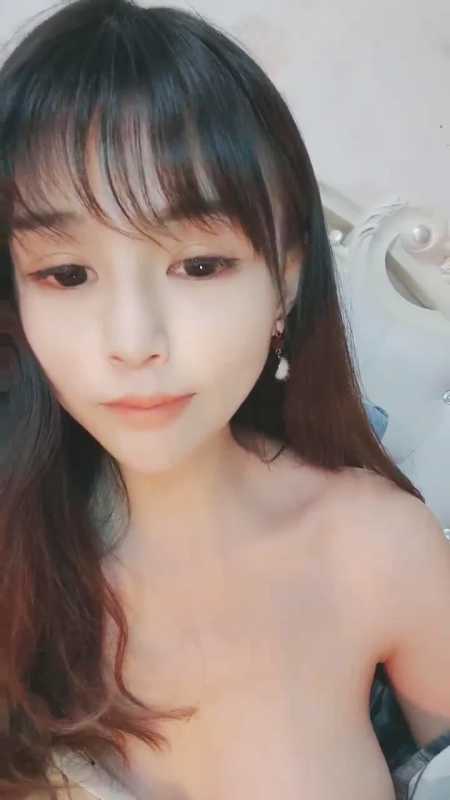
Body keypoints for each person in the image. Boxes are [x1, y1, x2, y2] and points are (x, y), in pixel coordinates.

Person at [1, 1, 450, 798]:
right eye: (67, 275)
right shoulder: (17, 568)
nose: (133, 340)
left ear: (286, 280)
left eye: (199, 266)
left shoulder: (376, 548)